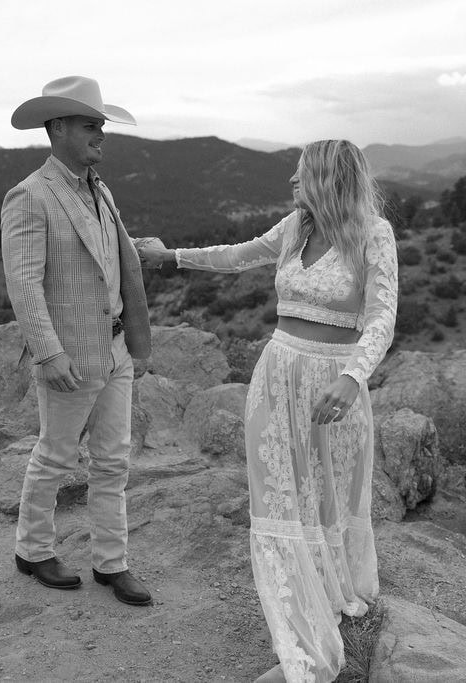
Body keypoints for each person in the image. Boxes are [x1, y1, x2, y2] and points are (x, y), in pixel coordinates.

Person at [137, 139, 398, 681]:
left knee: (326, 497)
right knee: (281, 500)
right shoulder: (294, 228)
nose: (290, 182)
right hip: (276, 377)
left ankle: (322, 612)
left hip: (334, 386)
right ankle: (301, 640)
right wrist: (172, 257)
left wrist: (353, 379)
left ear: (328, 178)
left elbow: (381, 318)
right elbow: (238, 256)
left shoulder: (374, 235)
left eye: (300, 174)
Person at [1, 75, 156, 607]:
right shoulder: (29, 196)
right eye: (91, 125)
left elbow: (105, 254)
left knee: (114, 460)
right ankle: (33, 549)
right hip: (69, 353)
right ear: (58, 127)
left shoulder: (99, 188)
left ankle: (112, 564)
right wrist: (48, 352)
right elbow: (23, 284)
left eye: (102, 125)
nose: (101, 135)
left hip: (115, 348)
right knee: (56, 455)